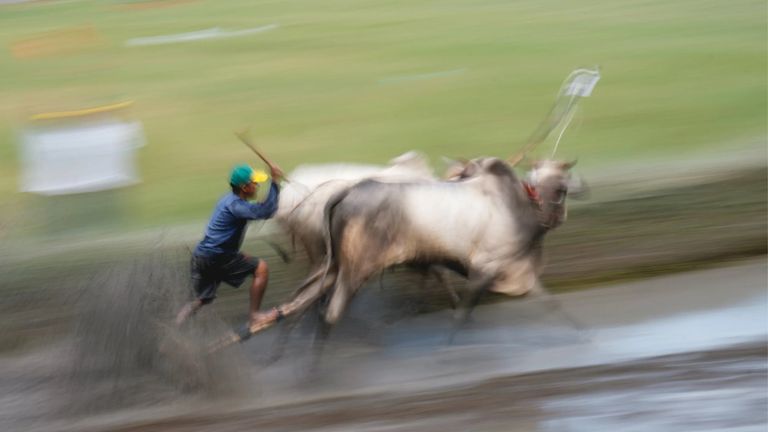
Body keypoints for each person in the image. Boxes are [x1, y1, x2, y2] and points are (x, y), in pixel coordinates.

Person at [175, 163, 284, 330]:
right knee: (261, 268)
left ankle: (171, 333)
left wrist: (235, 253)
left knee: (200, 299)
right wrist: (275, 181)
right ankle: (255, 316)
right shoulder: (237, 206)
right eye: (254, 183)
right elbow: (266, 212)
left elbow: (221, 234)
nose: (257, 185)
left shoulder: (227, 200)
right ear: (244, 187)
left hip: (202, 256)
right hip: (217, 258)